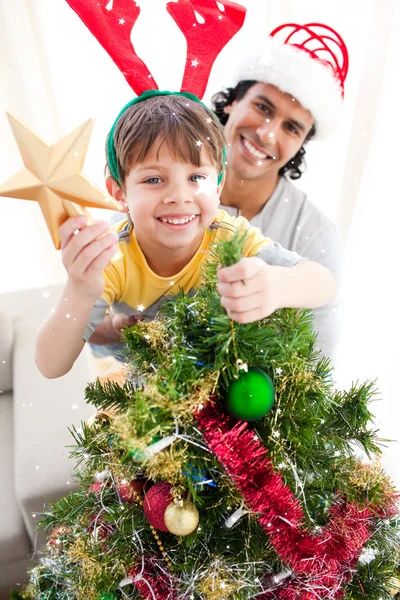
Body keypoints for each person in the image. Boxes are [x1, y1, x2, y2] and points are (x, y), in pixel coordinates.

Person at [91, 24, 347, 361]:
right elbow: (94, 332)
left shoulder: (313, 232)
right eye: (263, 108)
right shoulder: (151, 200)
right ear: (232, 102)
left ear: (301, 144)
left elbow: (318, 355)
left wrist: (279, 287)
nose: (268, 134)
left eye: (291, 127)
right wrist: (126, 328)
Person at [35, 93, 335, 379]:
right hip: (152, 404)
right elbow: (50, 365)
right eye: (154, 179)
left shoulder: (229, 236)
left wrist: (277, 285)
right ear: (120, 193)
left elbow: (325, 284)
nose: (179, 196)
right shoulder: (113, 258)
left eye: (196, 178)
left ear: (217, 185)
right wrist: (80, 289)